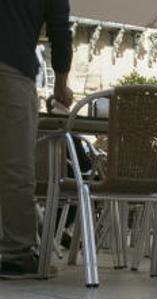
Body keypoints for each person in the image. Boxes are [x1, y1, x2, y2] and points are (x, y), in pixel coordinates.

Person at [1, 0, 73, 278]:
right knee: (15, 167)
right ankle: (17, 255)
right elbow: (60, 31)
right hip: (10, 69)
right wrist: (60, 83)